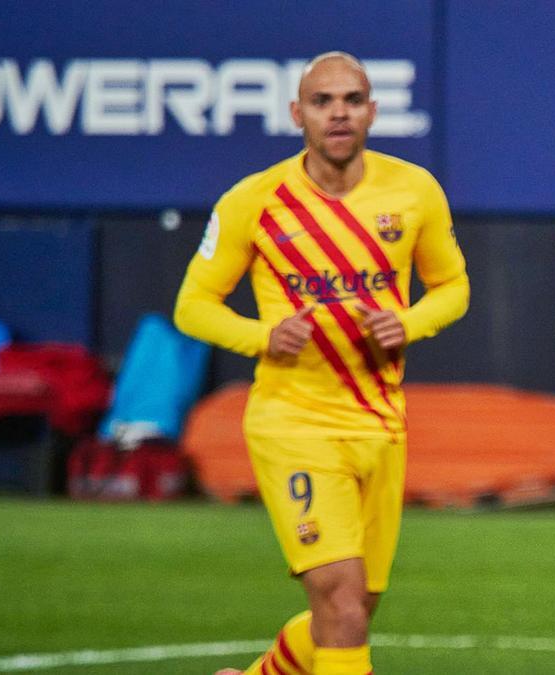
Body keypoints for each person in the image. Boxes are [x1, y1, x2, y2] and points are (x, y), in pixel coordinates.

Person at [173, 51, 469, 675]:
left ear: (372, 110)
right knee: (339, 598)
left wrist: (409, 323)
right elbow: (192, 307)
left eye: (352, 100)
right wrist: (262, 336)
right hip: (293, 422)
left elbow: (453, 287)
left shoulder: (413, 190)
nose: (339, 113)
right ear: (296, 113)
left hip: (380, 424)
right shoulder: (254, 200)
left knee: (353, 605)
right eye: (322, 101)